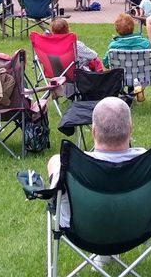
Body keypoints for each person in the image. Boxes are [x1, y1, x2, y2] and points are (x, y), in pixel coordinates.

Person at [46, 97, 145, 230]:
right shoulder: (146, 161)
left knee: (54, 161)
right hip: (136, 228)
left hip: (82, 233)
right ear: (130, 128)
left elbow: (53, 195)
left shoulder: (69, 164)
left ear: (93, 131)